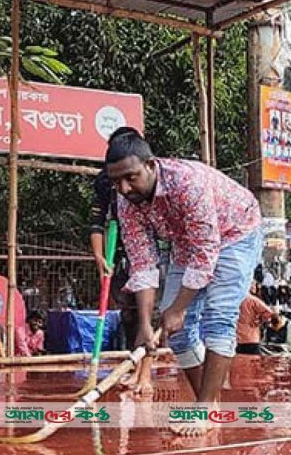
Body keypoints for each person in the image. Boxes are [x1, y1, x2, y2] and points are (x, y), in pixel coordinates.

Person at [104, 132, 262, 434]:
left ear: (151, 165)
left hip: (236, 233)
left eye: (131, 177)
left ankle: (203, 411)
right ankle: (209, 401)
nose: (123, 188)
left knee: (218, 317)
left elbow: (205, 254)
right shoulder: (126, 201)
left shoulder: (187, 182)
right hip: (186, 244)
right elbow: (143, 262)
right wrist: (146, 324)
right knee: (175, 332)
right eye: (116, 181)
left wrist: (178, 309)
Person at [89, 127, 141, 350]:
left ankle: (148, 365)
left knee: (149, 310)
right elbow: (96, 221)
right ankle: (133, 358)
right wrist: (99, 257)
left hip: (150, 252)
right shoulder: (104, 182)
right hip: (120, 253)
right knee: (128, 313)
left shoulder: (149, 176)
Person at [237, 284, 276, 355]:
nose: (254, 287)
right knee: (253, 363)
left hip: (235, 339)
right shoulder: (252, 300)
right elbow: (270, 313)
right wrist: (260, 321)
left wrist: (260, 320)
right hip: (250, 338)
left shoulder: (231, 300)